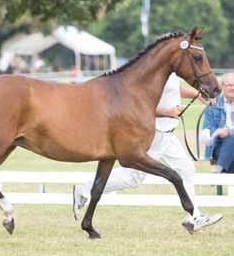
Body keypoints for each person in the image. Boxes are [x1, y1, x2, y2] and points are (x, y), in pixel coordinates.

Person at [73, 73, 223, 234]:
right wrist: (167, 112)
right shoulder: (153, 73)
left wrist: (197, 95)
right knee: (133, 178)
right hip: (155, 134)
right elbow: (140, 103)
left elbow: (173, 90)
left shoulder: (170, 71)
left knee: (186, 169)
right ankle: (84, 190)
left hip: (168, 133)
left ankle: (193, 217)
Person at [201, 73, 234, 174]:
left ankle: (219, 170)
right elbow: (207, 128)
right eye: (230, 85)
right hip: (218, 146)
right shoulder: (213, 105)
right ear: (223, 86)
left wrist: (230, 131)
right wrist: (219, 132)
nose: (233, 88)